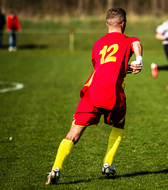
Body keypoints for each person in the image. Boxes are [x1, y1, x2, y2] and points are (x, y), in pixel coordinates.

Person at [46, 8, 143, 185]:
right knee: (119, 123)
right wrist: (138, 59)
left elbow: (102, 68)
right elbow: (136, 43)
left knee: (73, 134)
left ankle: (55, 168)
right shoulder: (128, 40)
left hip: (93, 95)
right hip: (114, 96)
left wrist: (124, 68)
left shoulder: (98, 44)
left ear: (107, 23)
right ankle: (108, 163)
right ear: (123, 24)